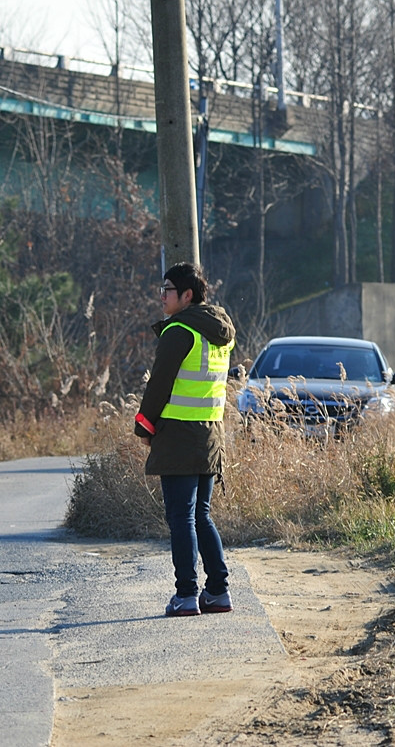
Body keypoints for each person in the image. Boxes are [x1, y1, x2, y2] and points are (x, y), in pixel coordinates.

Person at [134, 262, 236, 617]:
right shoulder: (219, 330)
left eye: (167, 290)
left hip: (177, 434)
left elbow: (158, 385)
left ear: (187, 295)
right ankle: (218, 592)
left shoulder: (179, 331)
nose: (162, 297)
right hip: (210, 433)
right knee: (201, 516)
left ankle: (186, 594)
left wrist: (144, 427)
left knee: (181, 517)